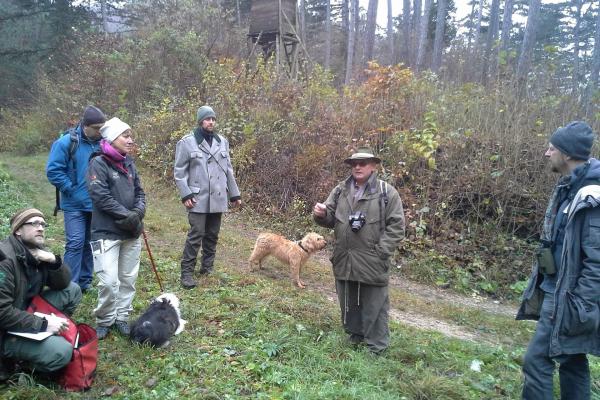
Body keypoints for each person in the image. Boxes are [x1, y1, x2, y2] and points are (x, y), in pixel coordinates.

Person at [517, 121, 600, 399]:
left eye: (551, 148)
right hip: (558, 288)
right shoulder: (569, 187)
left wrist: (580, 305)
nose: (546, 153)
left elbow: (597, 261)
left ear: (566, 154)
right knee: (571, 360)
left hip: (570, 298)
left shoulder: (591, 196)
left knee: (536, 361)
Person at [313, 147, 405, 354]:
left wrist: (382, 251)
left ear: (373, 166)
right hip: (344, 256)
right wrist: (320, 214)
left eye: (363, 163)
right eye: (354, 164)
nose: (357, 167)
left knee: (375, 305)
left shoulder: (386, 192)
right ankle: (355, 336)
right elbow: (329, 219)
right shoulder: (340, 190)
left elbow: (397, 226)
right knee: (348, 300)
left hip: (372, 259)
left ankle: (376, 347)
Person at [0, 208, 82, 379]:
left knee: (73, 290)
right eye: (34, 223)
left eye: (43, 224)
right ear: (18, 230)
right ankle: (16, 363)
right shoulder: (4, 260)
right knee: (62, 351)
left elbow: (63, 283)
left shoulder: (35, 251)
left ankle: (48, 336)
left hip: (26, 311)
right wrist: (43, 323)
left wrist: (53, 261)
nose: (41, 228)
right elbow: (2, 313)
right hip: (5, 331)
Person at [87, 117, 146, 340]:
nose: (131, 140)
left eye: (131, 136)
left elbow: (140, 192)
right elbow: (100, 196)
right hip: (106, 232)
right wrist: (128, 215)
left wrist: (138, 213)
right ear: (111, 138)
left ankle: (121, 317)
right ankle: (105, 319)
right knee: (109, 282)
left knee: (128, 278)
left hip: (131, 232)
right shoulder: (98, 163)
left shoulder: (129, 163)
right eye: (126, 136)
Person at [174, 105, 242, 289]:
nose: (211, 122)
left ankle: (207, 267)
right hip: (197, 197)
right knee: (196, 234)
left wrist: (234, 194)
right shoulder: (187, 142)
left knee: (212, 235)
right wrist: (185, 193)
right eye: (207, 119)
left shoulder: (223, 142)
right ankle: (186, 272)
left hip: (218, 197)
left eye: (213, 119)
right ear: (200, 121)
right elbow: (179, 171)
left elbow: (228, 170)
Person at [46, 105, 106, 292]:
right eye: (97, 128)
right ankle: (69, 285)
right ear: (85, 125)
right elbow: (53, 171)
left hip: (96, 204)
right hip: (74, 205)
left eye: (102, 128)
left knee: (91, 244)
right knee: (75, 243)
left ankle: (85, 283)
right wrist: (70, 189)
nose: (100, 132)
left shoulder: (103, 143)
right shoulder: (66, 143)